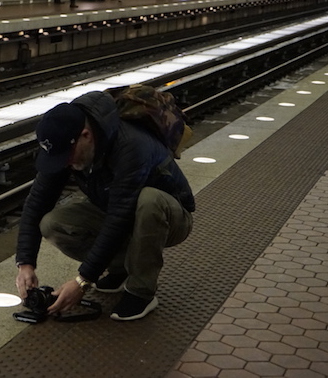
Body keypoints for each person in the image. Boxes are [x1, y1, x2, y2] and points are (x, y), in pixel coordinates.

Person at [15, 91, 195, 321]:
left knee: (148, 200)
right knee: (53, 224)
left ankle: (141, 291)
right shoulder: (67, 144)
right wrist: (25, 263)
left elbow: (119, 218)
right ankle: (120, 269)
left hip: (171, 216)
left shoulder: (130, 145)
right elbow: (37, 202)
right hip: (120, 210)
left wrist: (82, 281)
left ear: (86, 135)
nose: (65, 164)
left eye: (66, 157)